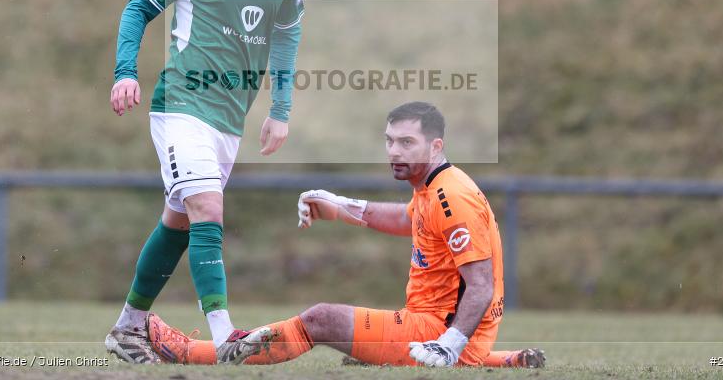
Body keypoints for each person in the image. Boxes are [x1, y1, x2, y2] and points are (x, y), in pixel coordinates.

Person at [145, 102, 545, 368]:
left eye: (407, 143)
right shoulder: (434, 187)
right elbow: (409, 219)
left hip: (437, 335)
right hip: (433, 328)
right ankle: (500, 360)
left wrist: (450, 345)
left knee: (320, 319)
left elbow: (481, 285)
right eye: (390, 141)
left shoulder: (451, 196)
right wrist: (341, 206)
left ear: (436, 145)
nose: (395, 151)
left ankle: (191, 352)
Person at [105, 0, 304, 365]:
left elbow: (286, 37)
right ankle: (225, 336)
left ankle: (127, 329)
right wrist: (125, 72)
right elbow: (137, 7)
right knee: (207, 210)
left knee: (179, 222)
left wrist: (280, 109)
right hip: (181, 106)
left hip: (229, 121)